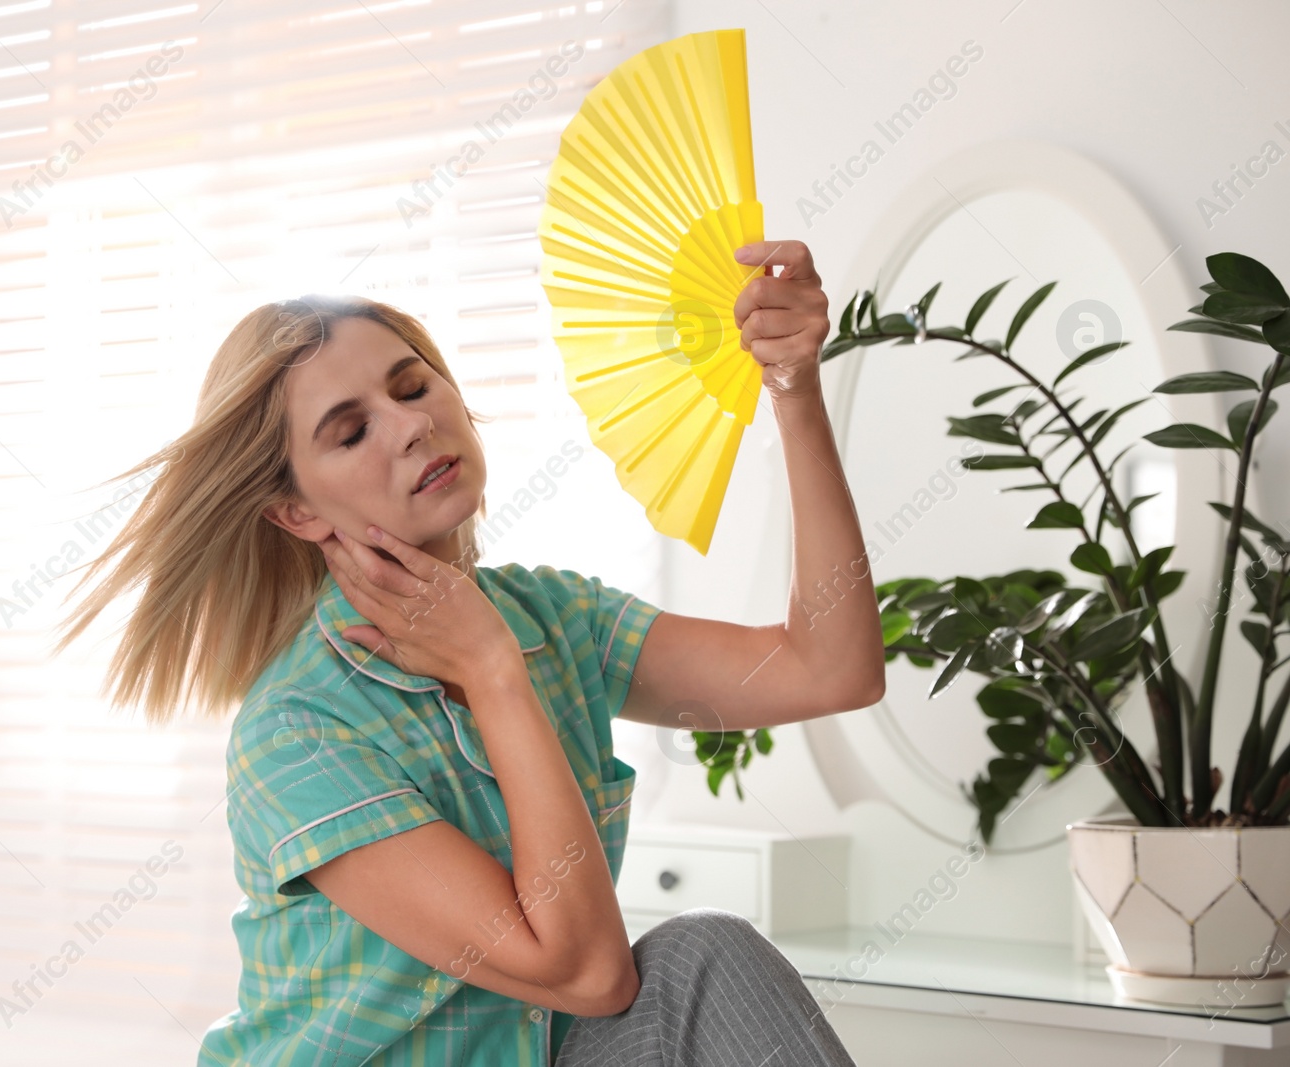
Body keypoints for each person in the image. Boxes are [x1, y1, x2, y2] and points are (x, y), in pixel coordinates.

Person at [54, 240, 883, 1065]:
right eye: (351, 432)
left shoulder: (553, 618)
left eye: (413, 386)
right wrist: (492, 671)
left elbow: (829, 667)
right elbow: (592, 975)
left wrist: (792, 386)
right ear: (296, 513)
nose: (413, 423)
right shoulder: (297, 730)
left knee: (706, 958)